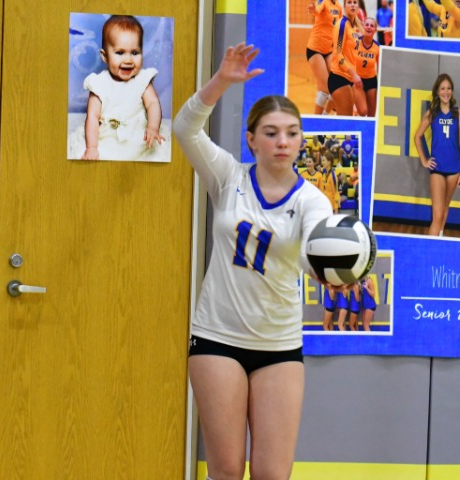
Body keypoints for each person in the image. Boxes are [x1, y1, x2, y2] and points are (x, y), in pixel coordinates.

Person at [173, 42, 341, 480]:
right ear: (251, 140)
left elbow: (313, 251)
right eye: (271, 132)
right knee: (227, 470)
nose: (282, 142)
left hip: (278, 345)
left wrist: (329, 272)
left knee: (271, 474)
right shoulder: (228, 176)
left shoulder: (312, 201)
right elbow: (185, 129)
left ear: (301, 139)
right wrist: (221, 81)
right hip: (217, 337)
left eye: (292, 132)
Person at [69, 15, 166, 161]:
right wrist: (92, 147)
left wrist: (152, 127)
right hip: (107, 138)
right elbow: (93, 117)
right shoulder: (99, 83)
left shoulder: (142, 80)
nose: (128, 60)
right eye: (120, 53)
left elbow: (153, 104)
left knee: (154, 154)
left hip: (138, 137)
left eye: (135, 52)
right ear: (105, 56)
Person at [414, 73, 460, 237]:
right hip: (437, 168)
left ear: (452, 91)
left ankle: (440, 236)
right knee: (437, 215)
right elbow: (417, 136)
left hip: (454, 169)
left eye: (449, 88)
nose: (446, 92)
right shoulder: (432, 113)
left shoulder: (458, 113)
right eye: (442, 88)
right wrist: (424, 160)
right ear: (437, 91)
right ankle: (431, 245)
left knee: (445, 207)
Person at [328, 0, 363, 117]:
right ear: (344, 6)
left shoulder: (352, 27)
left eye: (355, 2)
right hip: (339, 78)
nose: (352, 4)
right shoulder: (342, 25)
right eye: (349, 2)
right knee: (346, 120)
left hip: (349, 79)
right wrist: (354, 74)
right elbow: (337, 54)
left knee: (348, 117)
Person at [306, 0, 342, 114]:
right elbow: (317, 9)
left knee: (339, 85)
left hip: (329, 50)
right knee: (325, 89)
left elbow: (340, 26)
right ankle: (316, 120)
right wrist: (313, 10)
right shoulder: (323, 1)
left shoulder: (338, 6)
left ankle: (325, 114)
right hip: (315, 50)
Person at [355, 17, 380, 117]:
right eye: (367, 25)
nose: (369, 27)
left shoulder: (377, 47)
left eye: (372, 26)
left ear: (375, 30)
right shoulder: (356, 42)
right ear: (363, 27)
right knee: (363, 111)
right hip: (357, 80)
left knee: (371, 115)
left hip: (371, 81)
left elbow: (380, 68)